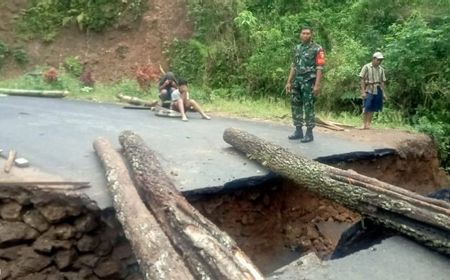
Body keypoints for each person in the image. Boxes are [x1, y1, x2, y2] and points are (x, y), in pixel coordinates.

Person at [285, 26, 325, 143]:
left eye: (308, 33)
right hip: (297, 81)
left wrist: (317, 85)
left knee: (308, 107)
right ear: (300, 35)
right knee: (295, 105)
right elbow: (293, 66)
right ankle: (298, 130)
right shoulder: (297, 48)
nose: (305, 35)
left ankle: (309, 133)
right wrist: (289, 82)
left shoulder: (317, 49)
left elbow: (319, 67)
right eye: (303, 33)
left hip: (309, 82)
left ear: (311, 35)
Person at [359, 52, 386, 129]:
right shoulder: (366, 67)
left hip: (377, 89)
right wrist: (363, 91)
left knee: (373, 107)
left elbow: (382, 82)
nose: (379, 61)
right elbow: (362, 79)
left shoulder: (381, 69)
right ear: (374, 59)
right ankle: (363, 124)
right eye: (378, 60)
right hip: (368, 88)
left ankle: (368, 124)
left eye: (380, 60)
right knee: (366, 106)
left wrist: (383, 93)